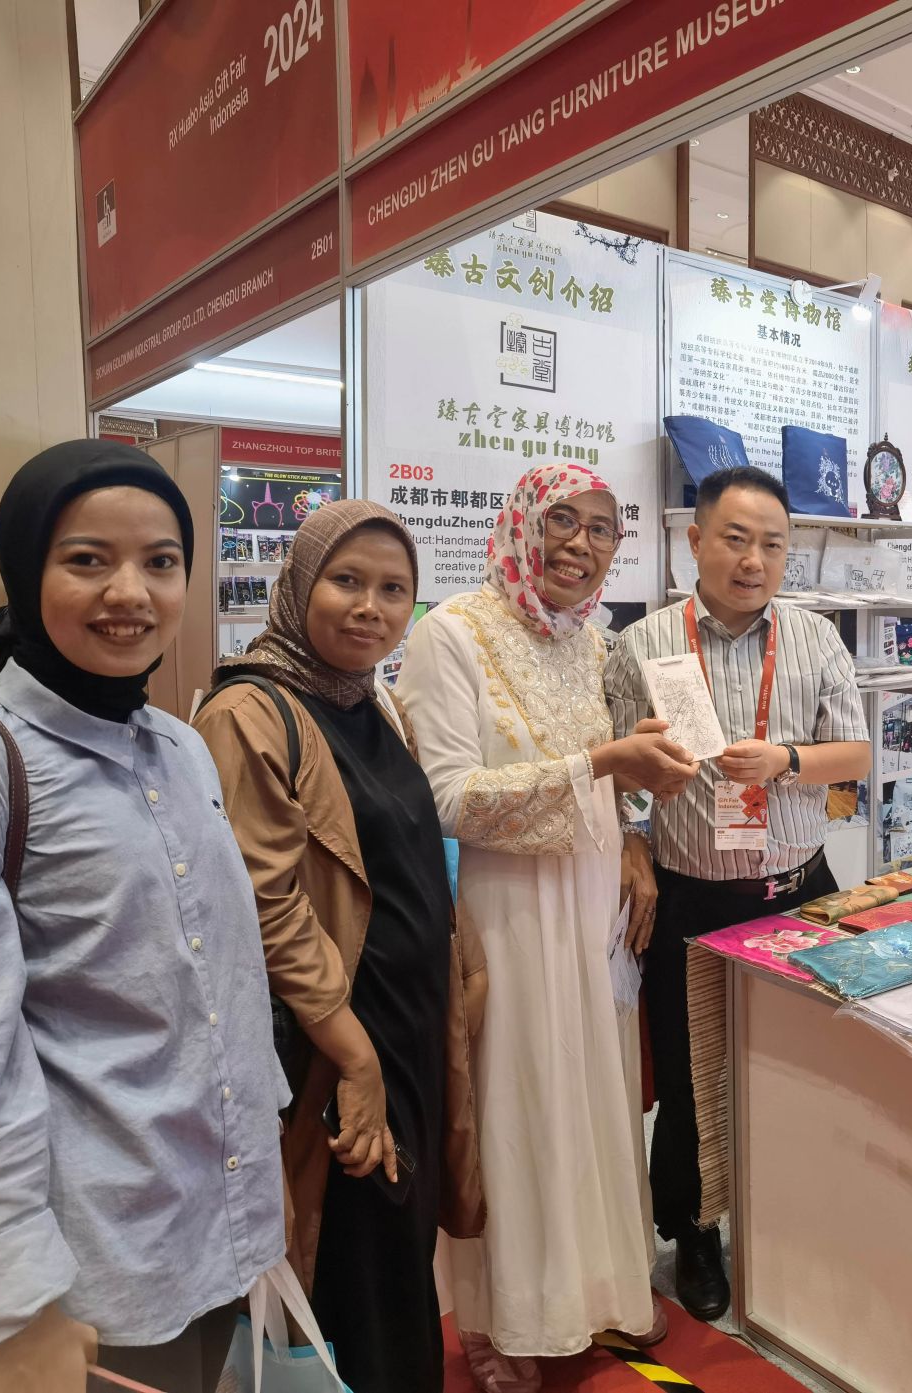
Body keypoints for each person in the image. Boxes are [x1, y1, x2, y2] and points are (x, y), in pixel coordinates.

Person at [0, 441, 286, 1393]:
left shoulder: (178, 746)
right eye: (87, 559)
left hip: (211, 1230)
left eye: (161, 561)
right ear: (27, 570)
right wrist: (12, 1309)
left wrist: (258, 1192)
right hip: (82, 1285)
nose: (129, 592)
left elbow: (222, 990)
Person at [394, 463, 697, 1393]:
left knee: (594, 1098)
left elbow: (616, 777)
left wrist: (635, 821)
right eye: (563, 519)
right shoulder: (451, 633)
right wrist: (599, 762)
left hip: (594, 902)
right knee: (518, 1106)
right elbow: (445, 799)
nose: (581, 544)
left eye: (602, 529)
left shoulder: (593, 641)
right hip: (510, 912)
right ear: (521, 523)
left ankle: (593, 1293)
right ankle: (499, 1316)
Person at [192, 500, 485, 1393]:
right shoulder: (251, 711)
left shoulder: (371, 701)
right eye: (346, 580)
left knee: (397, 1261)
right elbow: (266, 905)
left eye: (394, 589)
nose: (370, 607)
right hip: (332, 1050)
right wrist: (354, 1056)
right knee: (347, 1269)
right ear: (297, 585)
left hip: (404, 1031)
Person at [604, 465, 870, 1321]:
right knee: (692, 1076)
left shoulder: (816, 638)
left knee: (802, 1063)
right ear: (695, 541)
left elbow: (855, 754)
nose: (754, 560)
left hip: (797, 892)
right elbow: (618, 773)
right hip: (691, 897)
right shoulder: (644, 644)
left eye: (773, 544)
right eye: (736, 539)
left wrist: (786, 759)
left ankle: (794, 1213)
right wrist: (634, 841)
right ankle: (694, 1233)